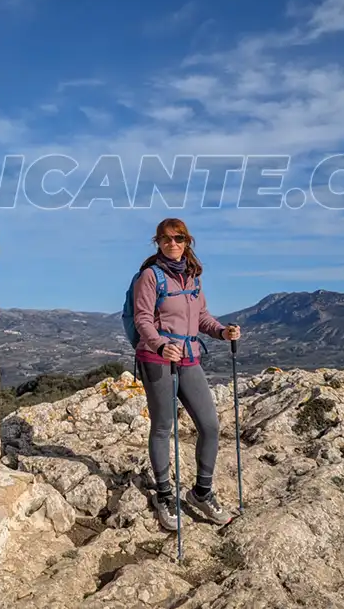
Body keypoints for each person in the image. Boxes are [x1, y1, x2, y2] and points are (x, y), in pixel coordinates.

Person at [132, 217, 241, 530]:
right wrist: (161, 344)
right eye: (166, 239)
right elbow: (142, 319)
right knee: (164, 426)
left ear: (187, 242)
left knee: (210, 425)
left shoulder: (193, 278)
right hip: (157, 359)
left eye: (179, 238)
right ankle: (164, 494)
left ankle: (201, 493)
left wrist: (222, 332)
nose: (173, 244)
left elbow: (202, 317)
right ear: (158, 242)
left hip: (190, 357)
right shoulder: (150, 277)